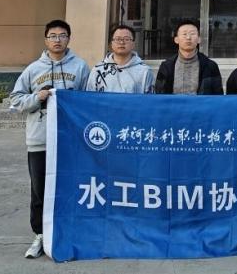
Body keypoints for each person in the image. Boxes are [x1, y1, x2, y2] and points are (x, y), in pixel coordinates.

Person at [9, 19, 90, 259]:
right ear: (46, 40)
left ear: (69, 39)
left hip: (70, 141)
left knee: (72, 188)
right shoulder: (33, 69)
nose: (57, 40)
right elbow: (15, 101)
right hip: (40, 140)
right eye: (53, 36)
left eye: (62, 35)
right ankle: (40, 235)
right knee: (40, 191)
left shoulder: (80, 67)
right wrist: (37, 97)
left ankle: (69, 233)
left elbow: (89, 100)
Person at [154, 20, 223, 95]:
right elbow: (159, 95)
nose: (188, 37)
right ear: (176, 39)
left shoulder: (210, 66)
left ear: (199, 39)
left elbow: (218, 96)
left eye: (192, 34)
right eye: (184, 34)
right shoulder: (166, 67)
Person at [86, 24, 155, 94]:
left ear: (133, 44)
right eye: (117, 39)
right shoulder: (98, 70)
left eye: (126, 39)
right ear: (111, 44)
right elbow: (90, 97)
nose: (122, 42)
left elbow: (149, 99)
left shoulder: (144, 71)